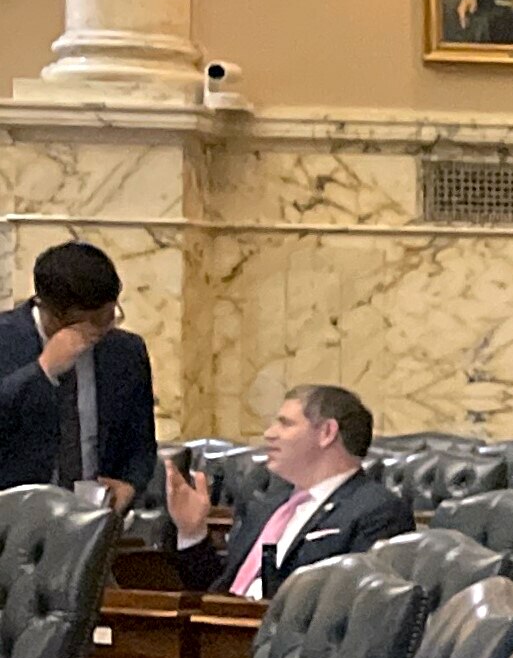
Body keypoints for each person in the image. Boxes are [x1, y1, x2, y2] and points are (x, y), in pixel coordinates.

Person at [164, 384, 412, 597]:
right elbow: (217, 594)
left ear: (327, 432)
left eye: (285, 424)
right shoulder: (265, 505)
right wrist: (192, 532)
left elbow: (356, 606)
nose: (269, 434)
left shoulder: (378, 511)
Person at [0, 241, 159, 507]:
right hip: (12, 522)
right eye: (95, 320)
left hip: (95, 519)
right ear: (54, 315)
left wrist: (130, 485)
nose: (107, 326)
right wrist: (42, 371)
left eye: (111, 314)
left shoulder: (126, 351)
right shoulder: (5, 339)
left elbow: (141, 446)